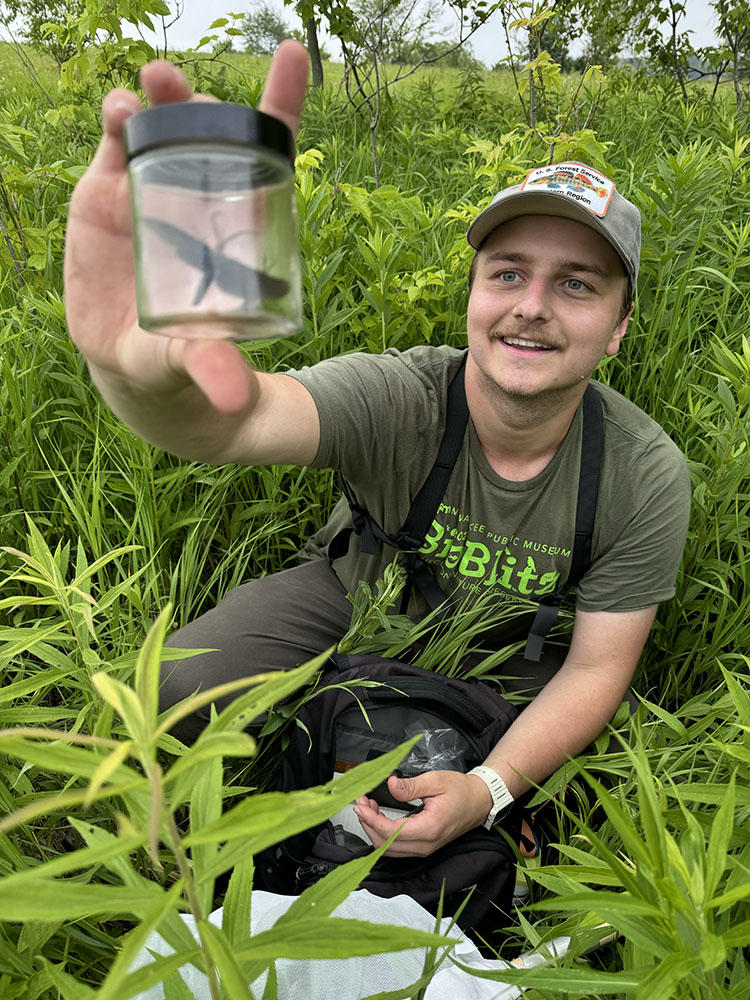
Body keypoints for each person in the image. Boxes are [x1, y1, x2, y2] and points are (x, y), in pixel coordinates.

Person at [64, 41, 690, 860]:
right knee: (177, 686)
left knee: (608, 785)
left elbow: (597, 669)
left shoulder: (643, 472)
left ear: (617, 329)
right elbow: (234, 423)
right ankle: (185, 854)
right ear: (473, 293)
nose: (531, 307)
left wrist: (487, 791)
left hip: (514, 650)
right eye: (507, 273)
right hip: (357, 587)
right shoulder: (401, 395)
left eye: (576, 283)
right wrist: (133, 370)